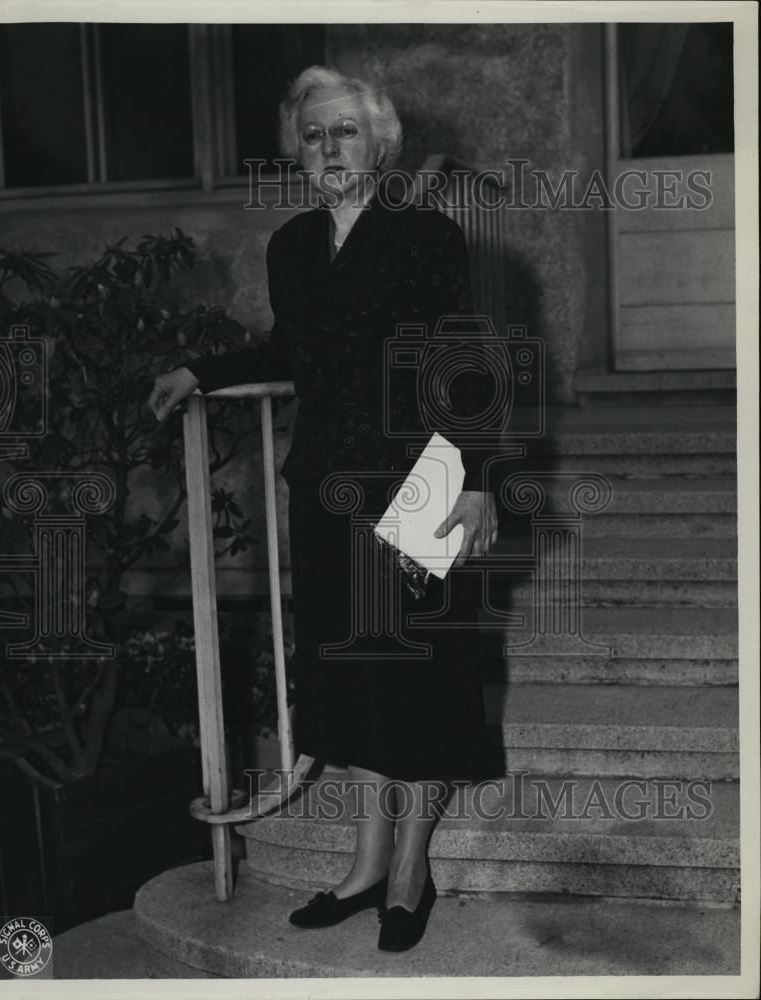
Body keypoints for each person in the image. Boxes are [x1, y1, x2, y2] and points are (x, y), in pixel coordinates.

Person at [148, 64, 502, 952]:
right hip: (326, 488)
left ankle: (410, 872)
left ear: (380, 144)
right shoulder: (293, 245)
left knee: (417, 677)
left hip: (422, 479)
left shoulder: (424, 235)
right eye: (313, 135)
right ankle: (366, 862)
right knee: (352, 679)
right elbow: (292, 350)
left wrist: (477, 477)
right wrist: (201, 370)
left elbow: (461, 353)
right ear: (296, 153)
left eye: (345, 130)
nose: (329, 147)